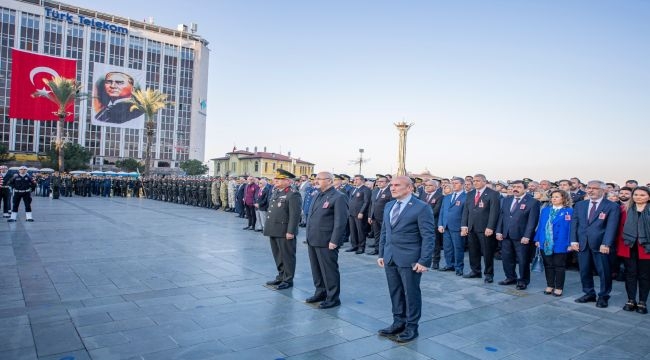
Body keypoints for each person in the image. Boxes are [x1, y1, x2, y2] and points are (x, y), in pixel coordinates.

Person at [377, 176, 435, 343]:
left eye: (397, 185)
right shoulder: (389, 205)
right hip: (390, 257)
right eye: (391, 185)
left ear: (409, 188)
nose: (392, 188)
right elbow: (384, 232)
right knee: (395, 292)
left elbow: (428, 236)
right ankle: (398, 322)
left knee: (411, 293)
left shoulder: (421, 207)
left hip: (410, 259)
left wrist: (424, 261)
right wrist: (381, 253)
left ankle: (411, 327)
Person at [571, 180, 620, 308]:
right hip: (583, 243)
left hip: (601, 245)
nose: (590, 190)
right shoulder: (580, 205)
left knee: (604, 271)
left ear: (603, 191)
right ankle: (589, 293)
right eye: (588, 188)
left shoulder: (612, 206)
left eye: (594, 188)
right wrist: (573, 240)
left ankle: (603, 296)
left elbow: (611, 227)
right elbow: (574, 224)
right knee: (584, 270)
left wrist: (606, 243)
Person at [305, 172, 349, 309]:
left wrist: (335, 240)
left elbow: (340, 221)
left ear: (329, 181)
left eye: (319, 179)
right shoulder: (318, 194)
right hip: (313, 238)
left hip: (327, 240)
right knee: (316, 269)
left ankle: (333, 298)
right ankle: (320, 292)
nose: (316, 181)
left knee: (329, 270)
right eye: (316, 178)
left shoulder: (339, 197)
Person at [496, 180, 540, 290]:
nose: (516, 188)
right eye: (514, 186)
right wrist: (499, 231)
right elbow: (502, 216)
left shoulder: (532, 202)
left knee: (522, 260)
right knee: (506, 258)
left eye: (519, 187)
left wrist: (527, 236)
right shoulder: (507, 200)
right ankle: (510, 277)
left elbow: (532, 221)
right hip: (506, 234)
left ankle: (523, 280)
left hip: (522, 236)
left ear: (525, 189)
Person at [263, 169, 302, 290]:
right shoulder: (276, 192)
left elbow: (294, 215)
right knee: (278, 255)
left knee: (287, 256)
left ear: (288, 181)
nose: (276, 181)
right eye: (276, 179)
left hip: (284, 231)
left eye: (280, 179)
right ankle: (280, 276)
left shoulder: (293, 194)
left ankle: (288, 279)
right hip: (274, 229)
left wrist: (291, 231)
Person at [461, 174, 501, 283]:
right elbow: (466, 211)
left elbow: (494, 212)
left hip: (485, 228)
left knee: (487, 252)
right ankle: (475, 271)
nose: (475, 182)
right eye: (474, 181)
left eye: (478, 180)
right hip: (471, 227)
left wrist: (490, 227)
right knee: (473, 251)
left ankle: (488, 274)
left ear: (484, 181)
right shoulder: (470, 194)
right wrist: (464, 226)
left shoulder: (493, 194)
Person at [534, 190, 573, 297]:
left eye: (557, 197)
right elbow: (541, 225)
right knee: (548, 265)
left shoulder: (569, 211)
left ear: (564, 199)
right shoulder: (546, 210)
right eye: (552, 197)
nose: (554, 199)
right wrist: (537, 239)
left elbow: (571, 229)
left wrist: (570, 243)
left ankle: (559, 287)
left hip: (561, 242)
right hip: (545, 241)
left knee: (559, 266)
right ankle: (550, 285)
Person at [618, 186, 650, 314]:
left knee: (644, 276)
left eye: (642, 195)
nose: (638, 197)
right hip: (629, 246)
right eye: (636, 194)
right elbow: (619, 229)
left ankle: (642, 302)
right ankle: (631, 300)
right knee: (630, 274)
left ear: (648, 197)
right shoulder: (624, 209)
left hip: (646, 248)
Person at [438, 177, 467, 276]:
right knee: (447, 247)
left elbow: (466, 214)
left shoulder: (466, 197)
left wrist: (464, 226)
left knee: (458, 248)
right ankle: (449, 264)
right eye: (453, 183)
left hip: (458, 226)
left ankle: (458, 267)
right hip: (446, 226)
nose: (454, 185)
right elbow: (442, 211)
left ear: (462, 184)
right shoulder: (447, 197)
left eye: (456, 183)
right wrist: (440, 224)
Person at [346, 175, 372, 254]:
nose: (355, 181)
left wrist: (361, 212)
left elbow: (366, 202)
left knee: (360, 231)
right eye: (354, 179)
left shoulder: (366, 189)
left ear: (362, 180)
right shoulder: (353, 189)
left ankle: (361, 247)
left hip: (359, 214)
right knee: (353, 230)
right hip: (351, 213)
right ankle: (354, 246)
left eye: (357, 179)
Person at [368, 175, 392, 255]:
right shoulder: (375, 191)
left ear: (387, 183)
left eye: (382, 181)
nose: (379, 183)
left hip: (384, 218)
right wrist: (370, 216)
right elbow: (372, 204)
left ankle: (385, 251)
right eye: (378, 181)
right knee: (377, 234)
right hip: (375, 217)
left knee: (385, 235)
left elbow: (392, 206)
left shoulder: (390, 191)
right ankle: (377, 249)